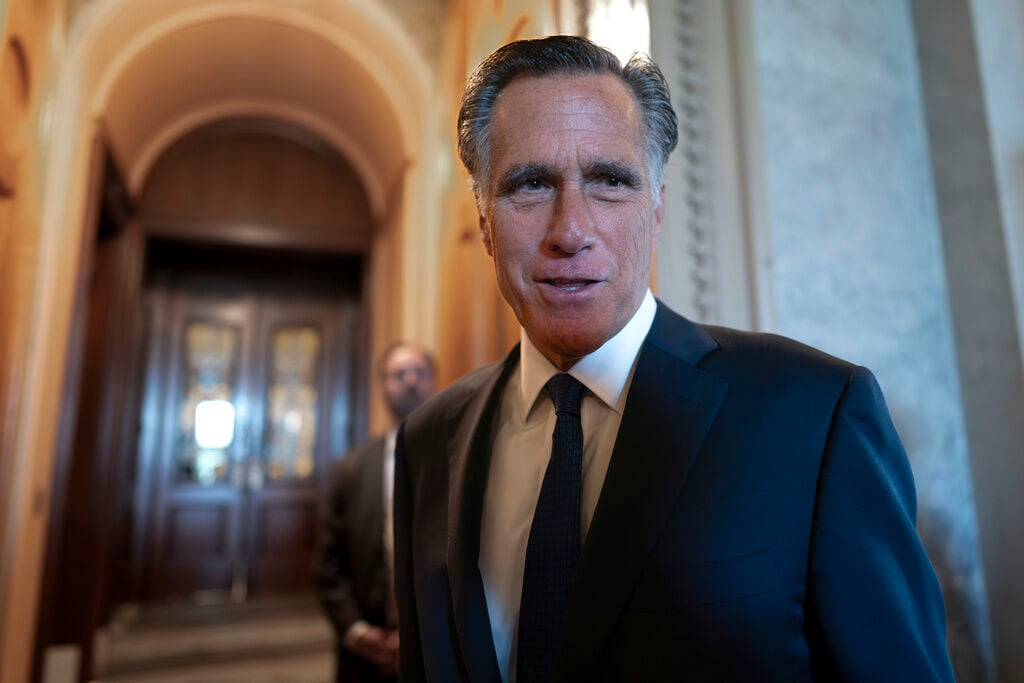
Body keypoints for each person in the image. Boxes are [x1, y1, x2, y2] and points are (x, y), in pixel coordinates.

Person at [394, 35, 955, 682]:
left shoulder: (816, 415)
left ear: (656, 209)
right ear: (485, 220)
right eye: (530, 183)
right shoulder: (428, 442)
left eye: (609, 181)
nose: (571, 230)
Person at [316, 342, 437, 683]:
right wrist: (357, 632)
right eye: (399, 374)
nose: (410, 380)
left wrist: (421, 635)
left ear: (435, 382)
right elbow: (328, 564)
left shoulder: (458, 460)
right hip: (365, 654)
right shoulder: (350, 470)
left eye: (420, 372)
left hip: (438, 651)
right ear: (382, 385)